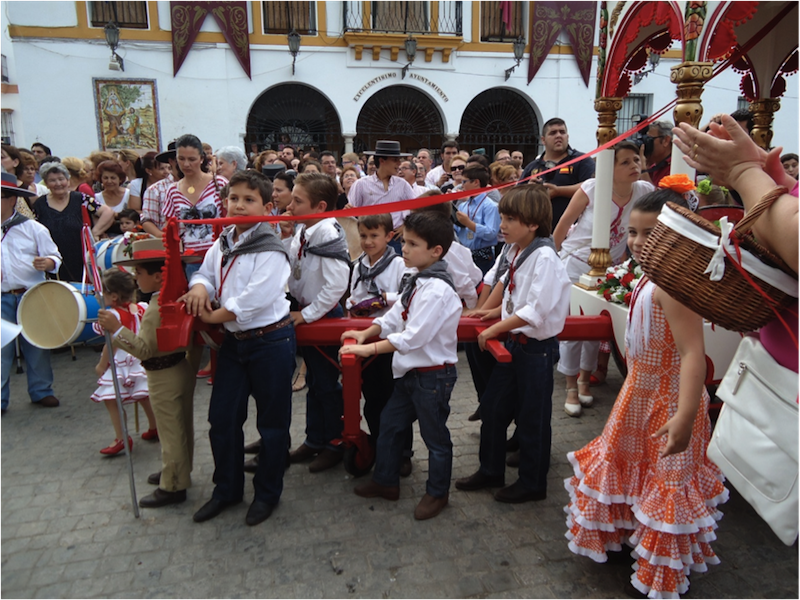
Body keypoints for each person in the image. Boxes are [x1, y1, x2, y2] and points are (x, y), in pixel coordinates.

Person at [564, 188, 728, 600]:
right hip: (641, 390)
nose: (637, 242)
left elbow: (693, 353)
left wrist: (685, 416)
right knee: (635, 466)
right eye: (633, 232)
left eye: (649, 233)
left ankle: (661, 572)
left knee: (666, 478)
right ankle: (631, 534)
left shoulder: (673, 285)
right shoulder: (652, 275)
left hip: (670, 400)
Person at [182, 170, 295, 526]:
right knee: (222, 419)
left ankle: (267, 494)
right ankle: (226, 490)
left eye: (249, 200)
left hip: (270, 342)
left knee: (272, 424)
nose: (240, 206)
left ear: (267, 206)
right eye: (234, 199)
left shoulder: (271, 249)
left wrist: (212, 316)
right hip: (234, 343)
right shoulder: (223, 241)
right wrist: (198, 287)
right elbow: (205, 274)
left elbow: (253, 300)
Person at [341, 211, 462, 520]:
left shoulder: (437, 289)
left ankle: (438, 492)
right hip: (410, 373)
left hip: (433, 376)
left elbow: (413, 336)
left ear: (436, 251)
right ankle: (385, 480)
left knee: (435, 438)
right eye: (404, 242)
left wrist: (369, 348)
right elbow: (396, 316)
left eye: (412, 244)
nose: (404, 249)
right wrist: (368, 331)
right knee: (390, 426)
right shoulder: (418, 279)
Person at [455, 184, 570, 503]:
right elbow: (513, 294)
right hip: (517, 344)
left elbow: (536, 310)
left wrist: (495, 327)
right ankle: (491, 469)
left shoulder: (544, 256)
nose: (502, 225)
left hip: (536, 349)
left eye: (509, 219)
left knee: (533, 417)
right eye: (503, 218)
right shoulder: (518, 250)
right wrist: (493, 312)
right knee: (493, 408)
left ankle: (533, 483)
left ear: (532, 223)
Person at [96, 237, 200, 509]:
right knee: (181, 426)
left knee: (170, 431)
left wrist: (116, 329)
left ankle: (174, 484)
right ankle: (177, 470)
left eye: (139, 272)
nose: (135, 278)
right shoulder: (173, 298)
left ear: (158, 276)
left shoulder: (156, 309)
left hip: (163, 374)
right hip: (179, 368)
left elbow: (144, 350)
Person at [553, 141, 653, 416]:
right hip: (576, 264)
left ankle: (585, 380)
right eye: (625, 162)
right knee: (575, 327)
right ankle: (570, 386)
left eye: (636, 160)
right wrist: (551, 261)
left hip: (610, 270)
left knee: (595, 330)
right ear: (609, 166)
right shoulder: (592, 188)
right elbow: (563, 225)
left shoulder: (644, 191)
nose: (634, 166)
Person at [286, 172, 350, 473]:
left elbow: (337, 284)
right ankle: (315, 439)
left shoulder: (327, 232)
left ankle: (335, 442)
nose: (290, 205)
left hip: (322, 315)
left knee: (326, 384)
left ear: (320, 206)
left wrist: (308, 314)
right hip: (306, 312)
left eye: (297, 201)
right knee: (314, 381)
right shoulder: (305, 229)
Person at [345, 213, 409, 471]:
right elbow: (353, 294)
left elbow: (406, 296)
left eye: (374, 236)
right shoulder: (358, 265)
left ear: (389, 236)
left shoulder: (399, 264)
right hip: (365, 338)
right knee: (372, 399)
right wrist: (354, 303)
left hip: (389, 340)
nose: (368, 241)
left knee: (395, 399)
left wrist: (383, 299)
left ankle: (403, 454)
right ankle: (380, 447)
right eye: (363, 236)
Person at [0, 173, 62, 415]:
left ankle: (41, 390)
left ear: (12, 200)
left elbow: (55, 256)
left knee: (36, 345)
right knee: (1, 350)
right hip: (1, 297)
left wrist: (48, 262)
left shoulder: (32, 228)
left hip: (31, 295)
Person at [91, 269, 157, 455]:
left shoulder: (113, 315)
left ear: (113, 296)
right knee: (144, 394)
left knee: (112, 399)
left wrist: (102, 364)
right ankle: (155, 426)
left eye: (101, 293)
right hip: (139, 356)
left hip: (122, 360)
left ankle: (121, 437)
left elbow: (112, 342)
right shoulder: (141, 308)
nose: (98, 296)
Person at [33, 162, 114, 281]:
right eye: (52, 180)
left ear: (68, 180)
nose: (58, 184)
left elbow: (107, 212)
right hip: (54, 260)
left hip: (81, 256)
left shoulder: (80, 198)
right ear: (46, 184)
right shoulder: (39, 204)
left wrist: (94, 233)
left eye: (61, 179)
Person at [520, 118, 595, 229]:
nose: (558, 136)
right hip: (538, 231)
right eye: (553, 133)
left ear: (567, 137)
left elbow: (592, 186)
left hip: (573, 232)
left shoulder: (582, 161)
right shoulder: (532, 167)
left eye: (562, 132)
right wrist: (529, 190)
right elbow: (517, 197)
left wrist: (558, 191)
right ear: (543, 140)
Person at [162, 134, 227, 259]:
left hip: (219, 254)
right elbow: (170, 227)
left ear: (201, 159)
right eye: (181, 159)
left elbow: (232, 218)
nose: (186, 164)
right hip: (190, 256)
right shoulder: (173, 190)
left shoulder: (219, 183)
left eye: (192, 159)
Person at [347, 141, 415, 250]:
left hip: (394, 239)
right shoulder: (361, 184)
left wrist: (405, 226)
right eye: (395, 160)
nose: (399, 164)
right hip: (369, 238)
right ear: (382, 161)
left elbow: (416, 208)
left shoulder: (403, 185)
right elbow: (351, 214)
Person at [454, 165, 501, 274]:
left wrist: (469, 224)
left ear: (476, 182)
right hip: (465, 254)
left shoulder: (490, 206)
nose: (462, 185)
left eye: (464, 182)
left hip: (483, 257)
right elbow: (457, 230)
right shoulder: (463, 205)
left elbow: (491, 233)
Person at [141, 142, 178, 237]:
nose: (186, 164)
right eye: (180, 159)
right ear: (171, 162)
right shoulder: (155, 189)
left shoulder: (206, 184)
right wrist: (164, 237)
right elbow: (147, 220)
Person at [641, 120, 673, 187]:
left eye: (650, 139)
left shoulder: (674, 167)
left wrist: (643, 170)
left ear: (666, 140)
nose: (647, 144)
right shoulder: (653, 166)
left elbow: (657, 194)